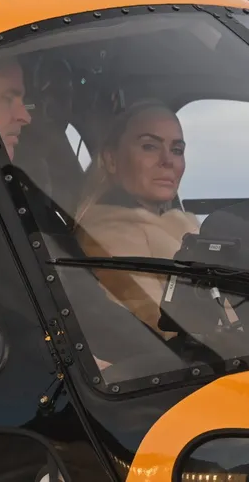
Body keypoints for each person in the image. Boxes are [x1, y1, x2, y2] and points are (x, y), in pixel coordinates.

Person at [73, 99, 221, 339]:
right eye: (150, 146)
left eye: (177, 150)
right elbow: (164, 335)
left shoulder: (180, 226)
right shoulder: (110, 236)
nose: (168, 161)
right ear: (111, 160)